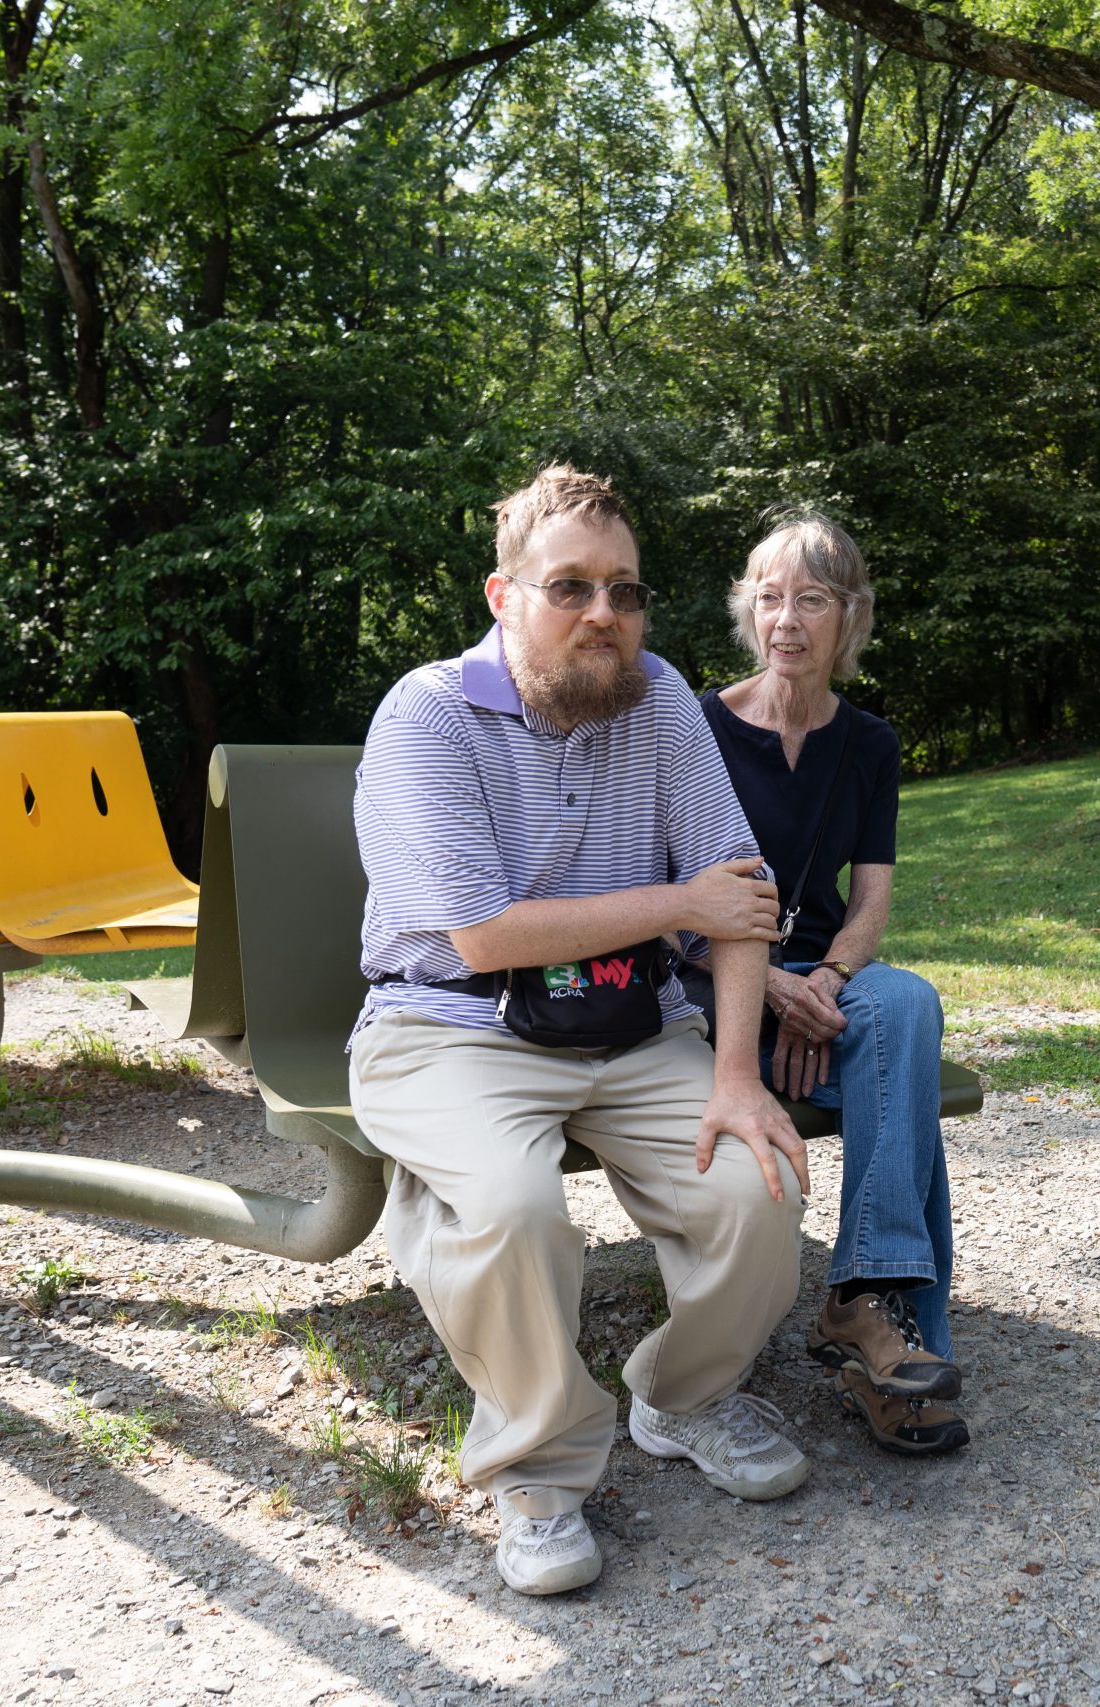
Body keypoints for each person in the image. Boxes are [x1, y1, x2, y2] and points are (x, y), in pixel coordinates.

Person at [347, 465, 813, 1599]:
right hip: (449, 1025)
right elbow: (487, 936)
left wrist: (739, 1078)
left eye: (625, 590)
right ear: (504, 596)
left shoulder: (657, 702)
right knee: (509, 1207)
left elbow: (738, 895)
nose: (604, 613)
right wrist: (679, 908)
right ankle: (540, 1472)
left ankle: (682, 1397)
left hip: (624, 1019)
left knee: (758, 1185)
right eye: (570, 587)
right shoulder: (429, 713)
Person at [695, 516, 968, 1457]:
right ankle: (894, 1352)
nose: (787, 620)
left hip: (826, 987)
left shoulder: (871, 743)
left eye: (811, 599)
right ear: (748, 611)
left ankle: (864, 1300)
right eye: (769, 597)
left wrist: (832, 979)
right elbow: (670, 902)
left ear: (848, 618)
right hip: (719, 988)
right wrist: (772, 984)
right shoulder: (698, 727)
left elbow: (871, 900)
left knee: (907, 1004)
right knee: (908, 1094)